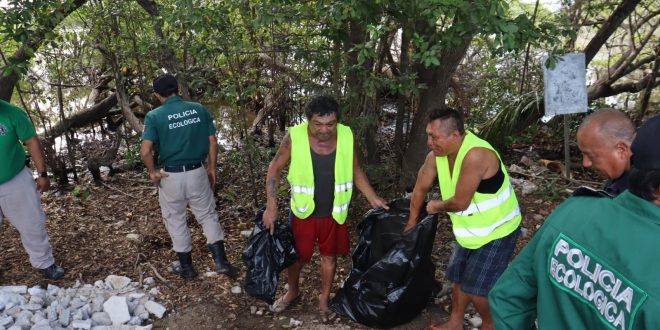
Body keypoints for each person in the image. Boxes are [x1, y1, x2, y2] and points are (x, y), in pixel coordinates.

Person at [489, 114, 660, 329]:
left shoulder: (574, 210)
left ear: (627, 152)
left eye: (590, 155)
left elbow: (508, 297)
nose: (586, 164)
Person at [262, 95, 388, 322]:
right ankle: (292, 291)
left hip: (334, 212)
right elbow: (274, 169)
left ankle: (324, 299)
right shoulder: (295, 136)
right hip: (303, 212)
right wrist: (271, 207)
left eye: (330, 124)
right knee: (297, 258)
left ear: (337, 121)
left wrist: (372, 197)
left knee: (329, 257)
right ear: (308, 121)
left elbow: (355, 169)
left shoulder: (347, 135)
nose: (324, 130)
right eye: (318, 124)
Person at [403, 107, 521, 330]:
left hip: (498, 230)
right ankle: (456, 323)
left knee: (477, 287)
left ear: (455, 135)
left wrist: (435, 205)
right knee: (458, 277)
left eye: (434, 137)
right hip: (469, 231)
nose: (429, 141)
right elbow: (420, 187)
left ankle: (492, 324)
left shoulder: (476, 155)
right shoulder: (435, 156)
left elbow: (460, 202)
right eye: (428, 135)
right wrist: (412, 220)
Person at [140, 74, 237, 280]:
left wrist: (153, 172)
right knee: (207, 215)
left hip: (170, 175)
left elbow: (146, 150)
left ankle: (187, 269)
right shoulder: (198, 109)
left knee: (175, 219)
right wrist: (212, 168)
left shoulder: (154, 116)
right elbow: (212, 142)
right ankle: (221, 262)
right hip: (197, 171)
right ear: (178, 89)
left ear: (157, 95)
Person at [0, 99, 64, 279]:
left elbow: (32, 141)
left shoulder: (12, 113)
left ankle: (45, 263)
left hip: (15, 179)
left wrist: (42, 173)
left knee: (32, 224)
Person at [576, 108, 635, 197]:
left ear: (621, 150)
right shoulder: (616, 178)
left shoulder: (649, 193)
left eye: (591, 156)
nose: (585, 163)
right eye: (583, 154)